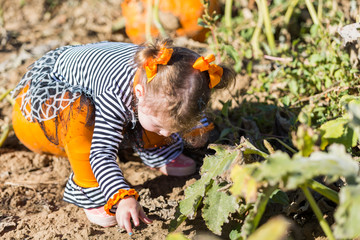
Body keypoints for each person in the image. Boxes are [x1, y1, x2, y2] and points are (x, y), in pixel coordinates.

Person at [11, 39, 235, 235]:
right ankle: (92, 188)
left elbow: (187, 110)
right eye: (161, 127)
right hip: (40, 109)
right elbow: (100, 152)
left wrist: (195, 131)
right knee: (79, 114)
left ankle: (158, 153)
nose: (168, 133)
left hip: (124, 94)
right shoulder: (114, 95)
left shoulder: (174, 80)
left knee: (160, 120)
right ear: (139, 94)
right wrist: (122, 195)